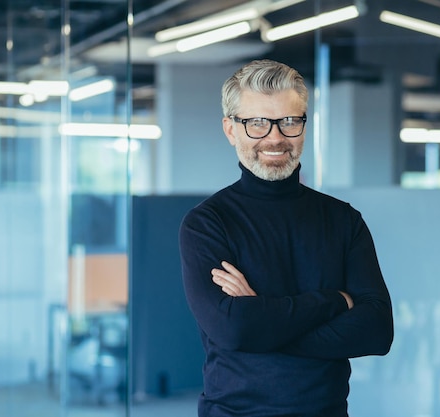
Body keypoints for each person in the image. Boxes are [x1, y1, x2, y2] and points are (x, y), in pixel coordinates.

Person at [179, 59, 394, 417]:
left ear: (304, 126)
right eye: (257, 123)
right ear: (231, 130)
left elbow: (377, 331)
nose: (276, 137)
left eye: (290, 121)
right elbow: (234, 329)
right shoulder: (207, 224)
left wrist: (264, 321)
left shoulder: (343, 220)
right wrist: (334, 301)